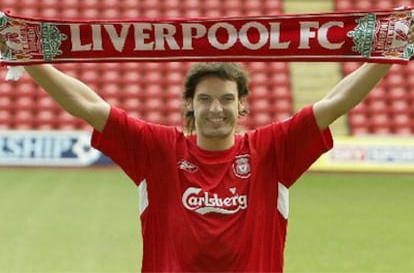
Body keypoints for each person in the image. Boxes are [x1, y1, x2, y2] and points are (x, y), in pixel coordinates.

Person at [1, 26, 414, 271]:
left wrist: (388, 52)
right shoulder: (159, 149)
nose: (216, 109)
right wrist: (31, 59)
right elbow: (90, 105)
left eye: (227, 99)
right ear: (189, 105)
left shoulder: (270, 149)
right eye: (204, 99)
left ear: (242, 105)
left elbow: (337, 101)